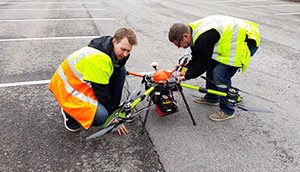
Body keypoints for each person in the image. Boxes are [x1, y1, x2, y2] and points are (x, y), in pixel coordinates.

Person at [168, 15, 260, 121]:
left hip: (245, 42)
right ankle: (212, 97)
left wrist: (184, 78)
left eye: (178, 44)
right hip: (232, 39)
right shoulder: (193, 31)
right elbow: (196, 58)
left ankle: (227, 110)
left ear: (185, 36)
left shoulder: (203, 38)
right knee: (211, 66)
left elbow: (202, 65)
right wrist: (182, 72)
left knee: (219, 74)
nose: (179, 47)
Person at [49, 28, 138, 134]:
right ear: (114, 41)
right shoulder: (98, 59)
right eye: (123, 49)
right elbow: (101, 92)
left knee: (121, 71)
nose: (125, 54)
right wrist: (111, 118)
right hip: (67, 89)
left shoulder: (111, 49)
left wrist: (113, 108)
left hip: (82, 82)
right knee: (102, 116)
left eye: (128, 51)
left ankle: (112, 109)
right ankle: (69, 112)